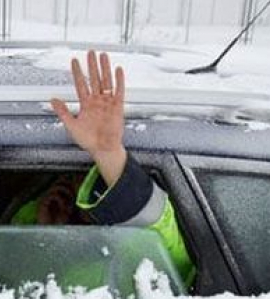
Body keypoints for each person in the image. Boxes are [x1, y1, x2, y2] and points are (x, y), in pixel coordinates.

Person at [20, 50, 196, 285]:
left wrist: (107, 153)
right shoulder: (33, 214)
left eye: (96, 178)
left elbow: (168, 259)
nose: (80, 185)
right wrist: (46, 235)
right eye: (72, 175)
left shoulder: (136, 260)